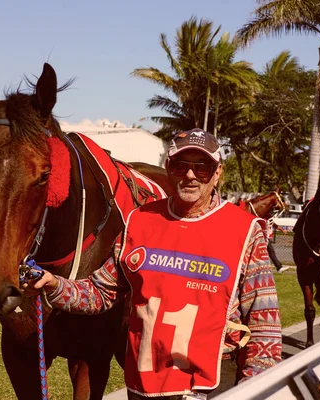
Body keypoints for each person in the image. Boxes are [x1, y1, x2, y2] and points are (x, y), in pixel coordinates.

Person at [27, 128, 282, 399]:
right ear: (168, 167)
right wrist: (55, 285)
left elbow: (264, 326)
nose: (191, 175)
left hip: (211, 387)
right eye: (181, 165)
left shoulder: (245, 230)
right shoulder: (139, 221)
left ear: (217, 172)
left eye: (203, 167)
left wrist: (255, 388)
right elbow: (101, 292)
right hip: (143, 389)